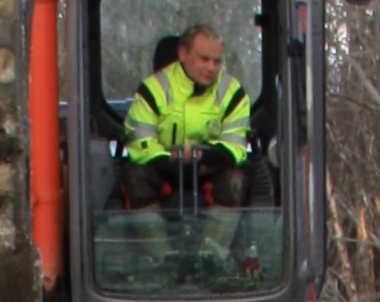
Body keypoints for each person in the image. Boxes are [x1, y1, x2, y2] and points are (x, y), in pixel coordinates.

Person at [116, 25, 271, 210]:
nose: (211, 67)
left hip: (210, 169)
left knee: (235, 181)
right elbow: (141, 143)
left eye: (217, 61)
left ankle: (213, 240)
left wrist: (202, 158)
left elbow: (235, 145)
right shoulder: (152, 89)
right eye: (204, 59)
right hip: (162, 168)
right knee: (135, 177)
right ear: (183, 53)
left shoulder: (233, 93)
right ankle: (154, 239)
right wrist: (174, 161)